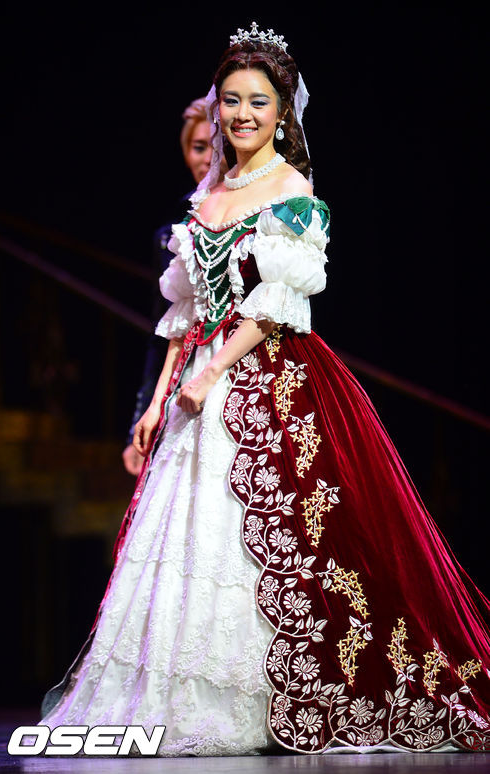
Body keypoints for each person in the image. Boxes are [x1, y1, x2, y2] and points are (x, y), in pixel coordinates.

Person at [40, 22, 489, 756]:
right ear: (216, 107)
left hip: (267, 378)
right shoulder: (211, 190)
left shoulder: (292, 190)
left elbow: (277, 302)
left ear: (282, 111)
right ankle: (177, 692)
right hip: (197, 383)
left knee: (272, 540)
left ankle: (264, 694)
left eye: (257, 101)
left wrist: (213, 370)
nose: (242, 114)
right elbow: (186, 310)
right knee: (183, 535)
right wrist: (160, 397)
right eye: (231, 101)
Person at [122, 97, 226, 476]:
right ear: (185, 153)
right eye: (198, 147)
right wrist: (142, 415)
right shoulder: (171, 236)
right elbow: (161, 333)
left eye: (214, 145)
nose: (207, 157)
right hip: (183, 380)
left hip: (238, 370)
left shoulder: (258, 213)